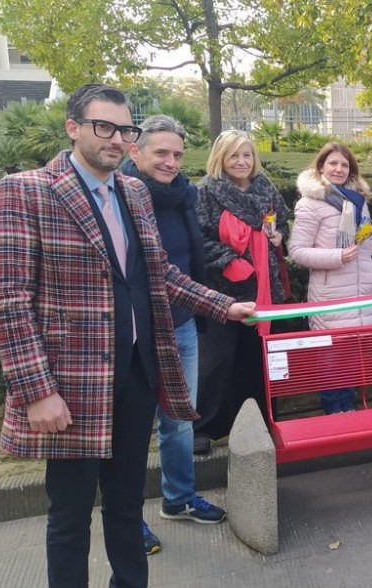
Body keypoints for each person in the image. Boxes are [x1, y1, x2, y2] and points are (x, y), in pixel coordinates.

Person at [0, 83, 256, 588]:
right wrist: (37, 391)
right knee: (70, 515)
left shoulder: (132, 192)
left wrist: (224, 305)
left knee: (128, 504)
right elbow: (7, 302)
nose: (114, 138)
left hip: (137, 373)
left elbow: (161, 275)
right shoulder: (26, 191)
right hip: (71, 386)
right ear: (73, 128)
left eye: (123, 129)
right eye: (102, 126)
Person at [122, 114, 226, 556]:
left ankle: (177, 498)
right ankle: (125, 520)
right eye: (161, 153)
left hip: (181, 322)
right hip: (135, 332)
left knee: (179, 422)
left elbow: (189, 259)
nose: (170, 162)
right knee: (127, 430)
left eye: (178, 154)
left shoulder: (186, 193)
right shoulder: (121, 197)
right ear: (135, 152)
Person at [194, 130, 289, 450]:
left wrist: (278, 236)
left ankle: (260, 418)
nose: (241, 161)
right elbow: (198, 238)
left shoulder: (266, 187)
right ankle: (205, 426)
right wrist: (230, 260)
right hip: (222, 287)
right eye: (234, 155)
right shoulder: (205, 191)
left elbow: (282, 221)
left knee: (256, 356)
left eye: (247, 154)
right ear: (221, 157)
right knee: (217, 357)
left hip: (262, 285)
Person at [288, 142, 372, 414]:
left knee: (353, 360)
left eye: (344, 165)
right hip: (331, 296)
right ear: (321, 167)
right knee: (331, 361)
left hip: (361, 292)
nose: (339, 169)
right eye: (333, 163)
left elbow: (369, 240)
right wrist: (336, 257)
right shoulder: (310, 203)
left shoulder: (358, 200)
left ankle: (348, 411)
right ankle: (334, 414)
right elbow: (296, 251)